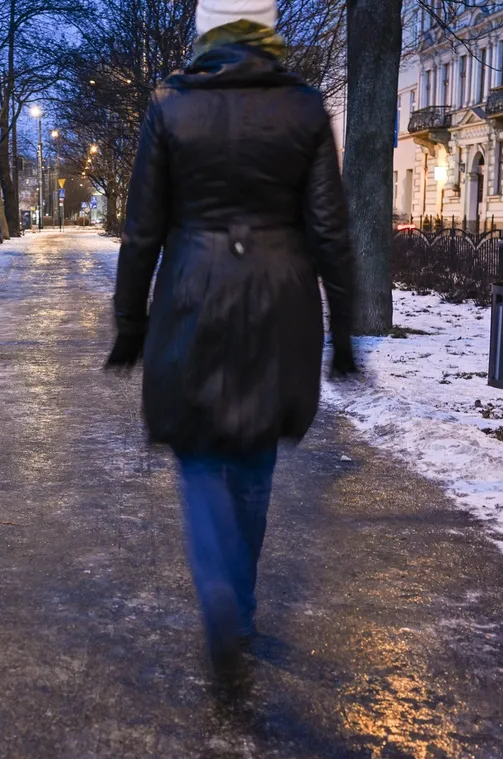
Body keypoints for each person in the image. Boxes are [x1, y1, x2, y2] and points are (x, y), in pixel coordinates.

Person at [105, 0, 356, 685]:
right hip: (280, 300)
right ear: (267, 32)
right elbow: (331, 230)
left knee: (196, 453)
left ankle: (218, 594)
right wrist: (346, 332)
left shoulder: (170, 110)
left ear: (205, 33)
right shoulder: (305, 110)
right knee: (253, 457)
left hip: (194, 293)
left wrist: (131, 321)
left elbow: (142, 231)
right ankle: (238, 607)